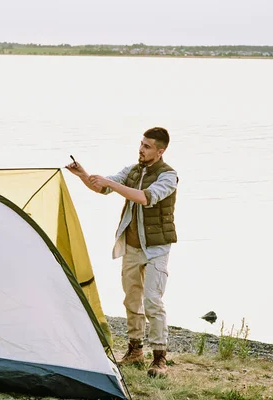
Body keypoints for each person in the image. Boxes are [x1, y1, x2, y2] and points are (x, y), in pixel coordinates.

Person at [66, 127, 177, 378]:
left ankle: (160, 358)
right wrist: (83, 174)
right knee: (131, 300)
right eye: (141, 144)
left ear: (160, 151)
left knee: (152, 301)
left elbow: (145, 198)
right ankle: (135, 351)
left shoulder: (169, 176)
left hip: (156, 249)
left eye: (147, 146)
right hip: (131, 247)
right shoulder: (133, 170)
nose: (141, 149)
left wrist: (111, 183)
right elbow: (103, 188)